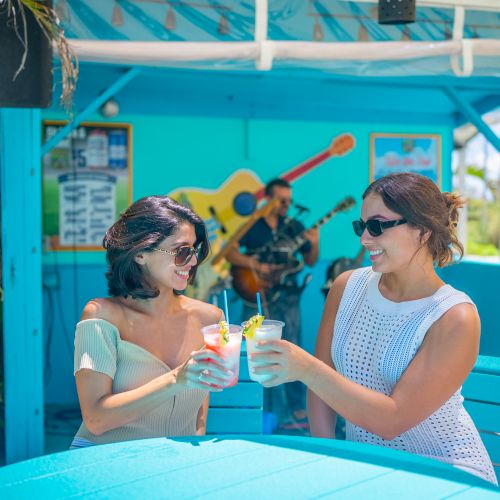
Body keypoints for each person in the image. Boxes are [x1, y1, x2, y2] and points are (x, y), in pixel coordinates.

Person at [249, 173, 497, 484]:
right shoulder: (346, 286)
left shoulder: (455, 316)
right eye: (361, 226)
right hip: (366, 470)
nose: (364, 239)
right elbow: (321, 391)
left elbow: (393, 420)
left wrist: (305, 368)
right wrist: (327, 464)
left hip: (446, 475)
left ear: (422, 230)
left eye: (377, 226)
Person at [71, 196, 233, 448]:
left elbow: (199, 417)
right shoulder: (101, 316)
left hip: (171, 469)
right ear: (140, 254)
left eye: (195, 251)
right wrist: (176, 379)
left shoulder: (210, 319)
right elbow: (95, 420)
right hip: (101, 462)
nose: (192, 262)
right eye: (182, 251)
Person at [226, 178, 319, 429]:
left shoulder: (295, 226)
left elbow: (311, 260)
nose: (286, 205)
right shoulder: (252, 226)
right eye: (281, 200)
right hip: (254, 294)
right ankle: (254, 407)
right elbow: (230, 252)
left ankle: (295, 409)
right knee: (253, 351)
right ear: (268, 199)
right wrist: (256, 266)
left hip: (288, 297)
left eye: (289, 200)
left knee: (292, 349)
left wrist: (315, 240)